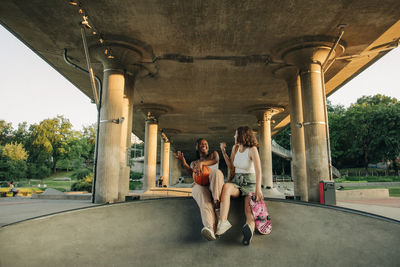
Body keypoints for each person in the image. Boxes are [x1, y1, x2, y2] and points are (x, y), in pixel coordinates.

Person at [217, 126, 263, 245]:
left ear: (242, 135)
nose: (234, 136)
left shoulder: (252, 149)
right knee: (226, 187)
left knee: (249, 212)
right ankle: (223, 222)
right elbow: (231, 166)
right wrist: (223, 152)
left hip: (250, 184)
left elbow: (259, 170)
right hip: (237, 182)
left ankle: (249, 230)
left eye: (236, 134)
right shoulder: (235, 147)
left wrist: (258, 189)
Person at [174, 138, 224, 241]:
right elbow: (192, 173)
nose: (204, 145)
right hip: (202, 186)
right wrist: (183, 162)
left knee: (217, 173)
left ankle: (217, 203)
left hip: (215, 185)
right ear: (196, 147)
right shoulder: (194, 163)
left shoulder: (213, 155)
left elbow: (216, 161)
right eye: (201, 144)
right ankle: (210, 228)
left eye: (206, 143)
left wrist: (203, 163)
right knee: (201, 195)